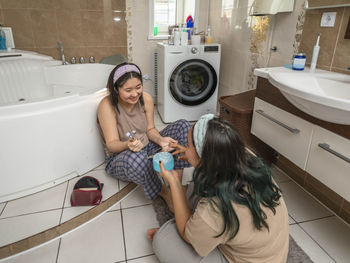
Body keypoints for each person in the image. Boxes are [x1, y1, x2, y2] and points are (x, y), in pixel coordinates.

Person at [147, 114, 289, 263]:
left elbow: (186, 235)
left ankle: (202, 234)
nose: (185, 148)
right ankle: (206, 233)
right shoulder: (242, 155)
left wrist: (175, 182)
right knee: (196, 187)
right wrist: (191, 154)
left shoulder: (215, 209)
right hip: (268, 247)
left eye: (188, 146)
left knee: (163, 241)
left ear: (204, 158)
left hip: (247, 259)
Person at [97, 62, 191, 209]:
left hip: (147, 147)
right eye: (128, 90)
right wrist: (127, 144)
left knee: (184, 126)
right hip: (122, 156)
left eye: (138, 87)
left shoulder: (146, 99)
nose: (135, 94)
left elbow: (150, 130)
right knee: (137, 158)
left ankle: (175, 183)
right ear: (116, 89)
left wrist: (160, 140)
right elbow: (112, 144)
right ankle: (165, 193)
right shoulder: (107, 106)